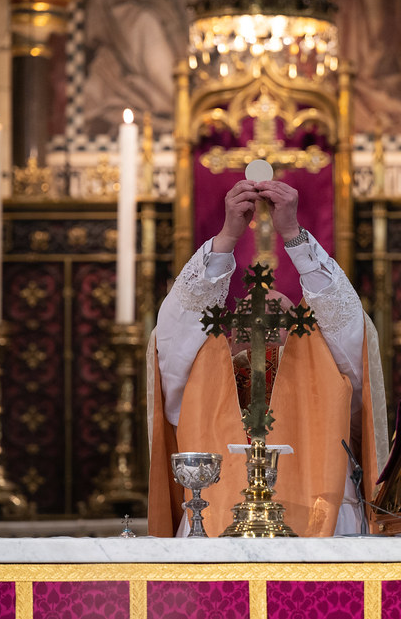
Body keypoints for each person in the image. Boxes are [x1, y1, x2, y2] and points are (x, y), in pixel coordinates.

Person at [147, 179, 388, 537]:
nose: (260, 326)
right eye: (246, 320)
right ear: (224, 336)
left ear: (306, 332)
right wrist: (227, 237)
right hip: (214, 520)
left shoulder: (328, 370)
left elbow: (349, 328)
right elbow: (175, 331)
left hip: (324, 519)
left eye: (277, 320)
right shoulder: (204, 375)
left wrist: (293, 234)